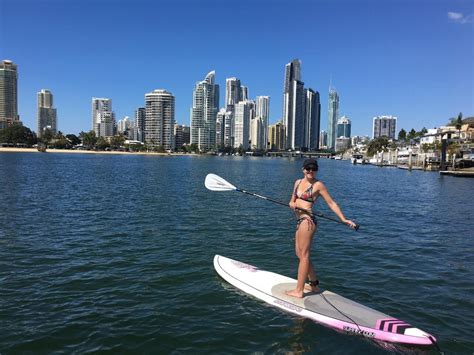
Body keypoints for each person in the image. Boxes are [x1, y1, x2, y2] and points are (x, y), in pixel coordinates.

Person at [286, 158, 357, 298]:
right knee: (299, 254)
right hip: (299, 220)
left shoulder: (318, 185)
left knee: (304, 255)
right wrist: (292, 204)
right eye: (308, 168)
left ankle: (299, 291)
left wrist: (343, 219)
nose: (311, 171)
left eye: (314, 168)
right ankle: (314, 285)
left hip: (308, 220)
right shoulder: (297, 182)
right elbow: (292, 200)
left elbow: (332, 203)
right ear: (303, 169)